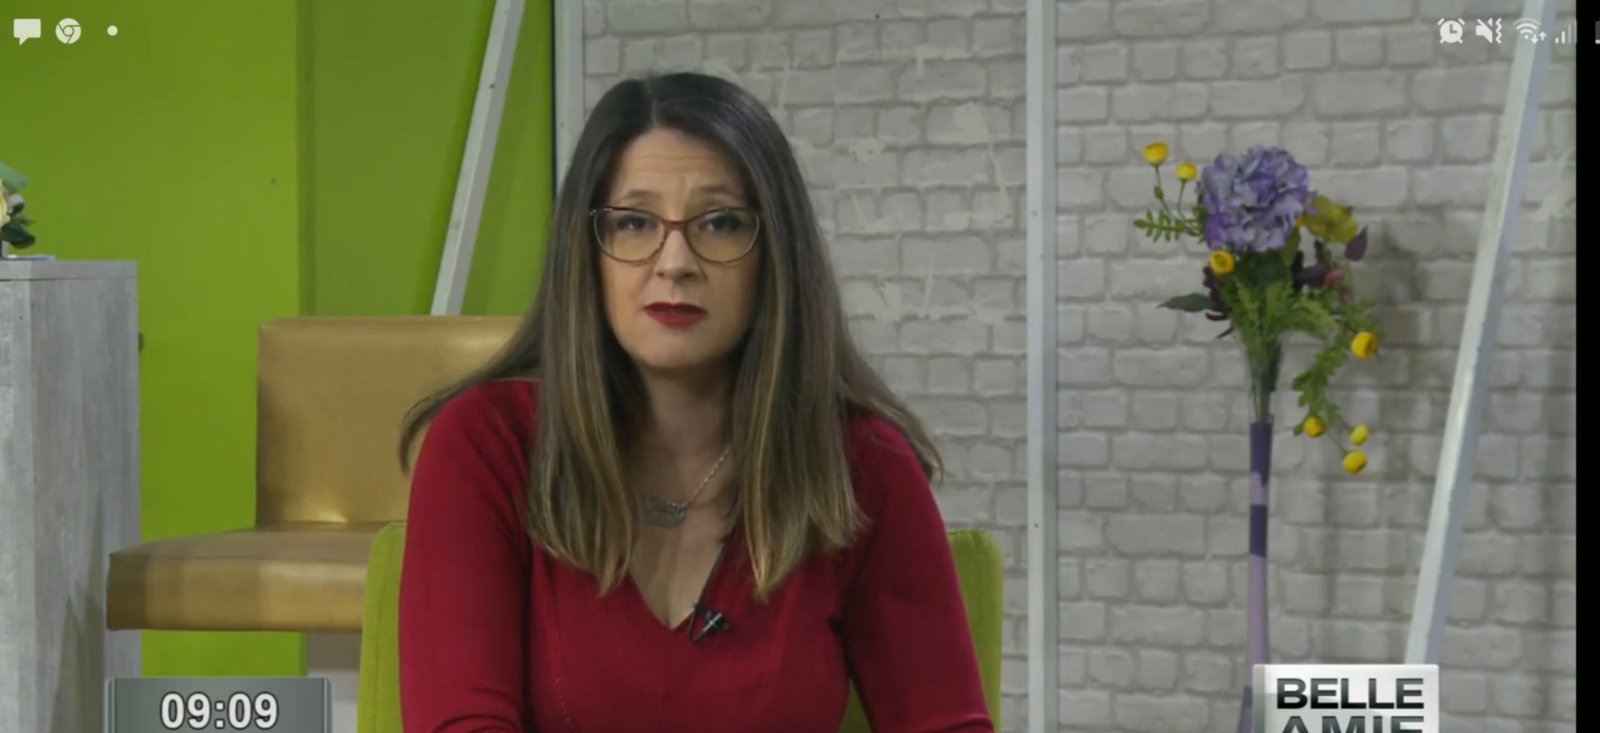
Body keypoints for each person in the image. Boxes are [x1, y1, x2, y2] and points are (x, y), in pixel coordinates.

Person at [395, 71, 994, 733]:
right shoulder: (487, 444)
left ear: (775, 253)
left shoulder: (862, 465)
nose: (675, 260)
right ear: (586, 254)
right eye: (634, 222)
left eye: (720, 223)